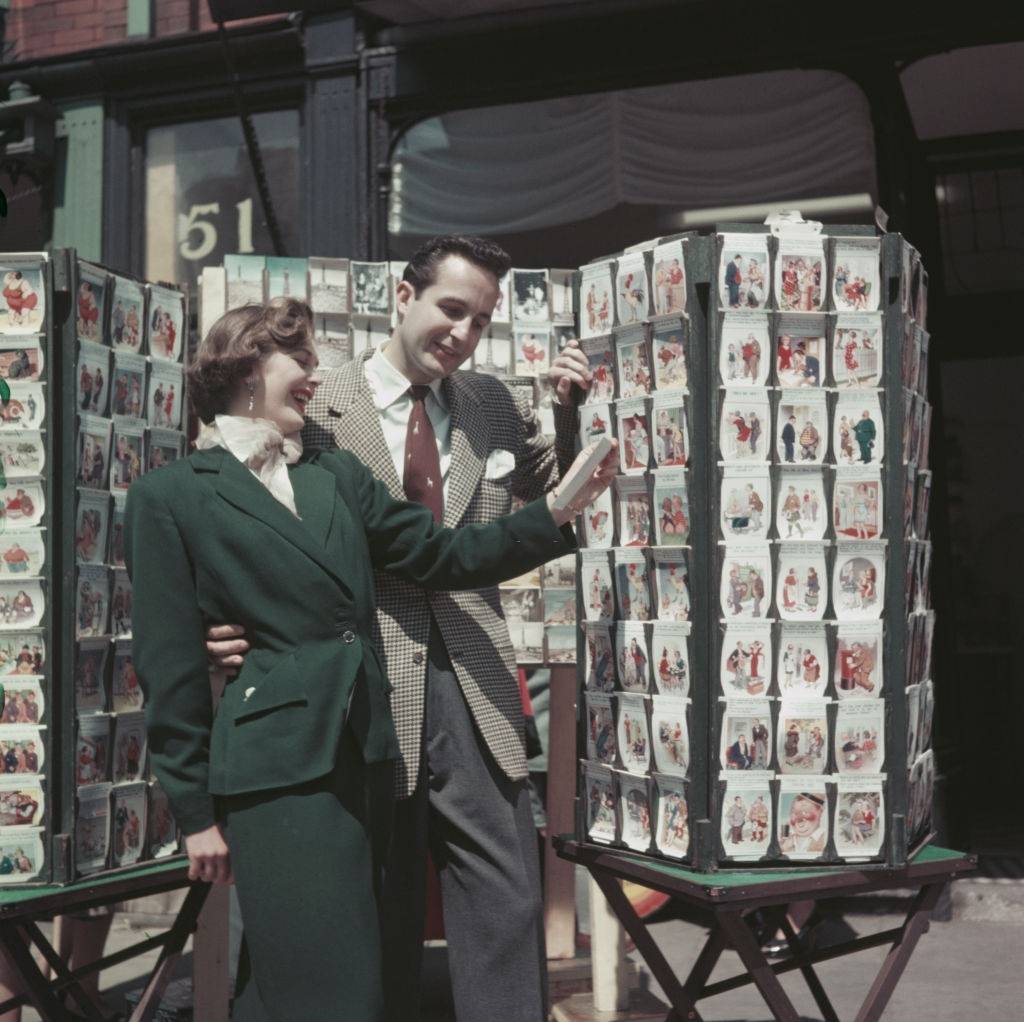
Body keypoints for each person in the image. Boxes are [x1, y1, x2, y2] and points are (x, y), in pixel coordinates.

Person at [128, 296, 617, 1021]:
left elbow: (439, 554)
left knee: (320, 977)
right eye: (299, 359)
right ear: (245, 366)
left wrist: (555, 515)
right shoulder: (169, 496)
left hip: (368, 753)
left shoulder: (335, 473)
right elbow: (167, 667)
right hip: (277, 771)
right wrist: (195, 813)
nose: (315, 377)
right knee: (330, 988)